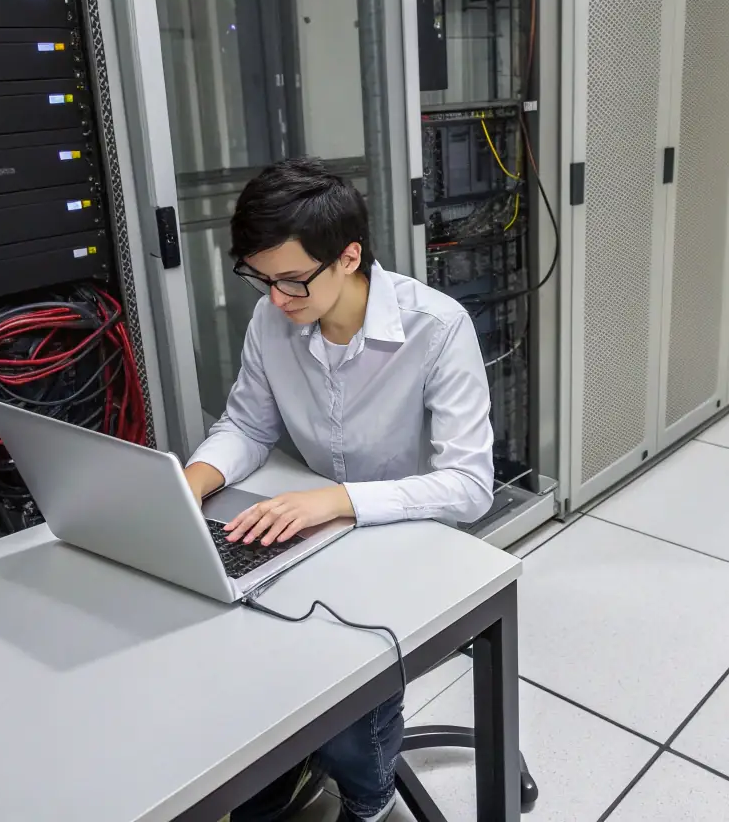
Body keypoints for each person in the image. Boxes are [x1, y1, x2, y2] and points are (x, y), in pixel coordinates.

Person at [183, 159, 496, 822]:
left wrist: (339, 501)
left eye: (292, 280)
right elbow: (246, 424)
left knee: (350, 671)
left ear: (348, 257)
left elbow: (470, 485)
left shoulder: (436, 328)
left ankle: (368, 796)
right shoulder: (274, 321)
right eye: (259, 279)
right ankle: (273, 772)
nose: (274, 299)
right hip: (315, 531)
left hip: (408, 539)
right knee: (237, 631)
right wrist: (195, 480)